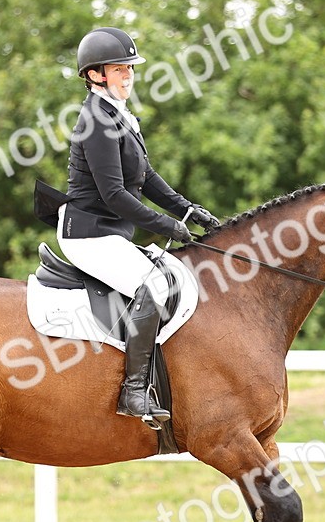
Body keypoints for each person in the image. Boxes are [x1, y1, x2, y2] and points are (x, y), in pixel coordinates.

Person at [59, 26, 220, 425]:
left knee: (169, 279)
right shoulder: (95, 121)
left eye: (130, 68)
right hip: (89, 234)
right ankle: (132, 392)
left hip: (109, 233)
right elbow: (114, 194)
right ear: (95, 75)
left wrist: (188, 210)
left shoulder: (118, 114)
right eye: (120, 69)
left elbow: (145, 177)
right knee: (154, 286)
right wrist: (167, 226)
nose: (128, 75)